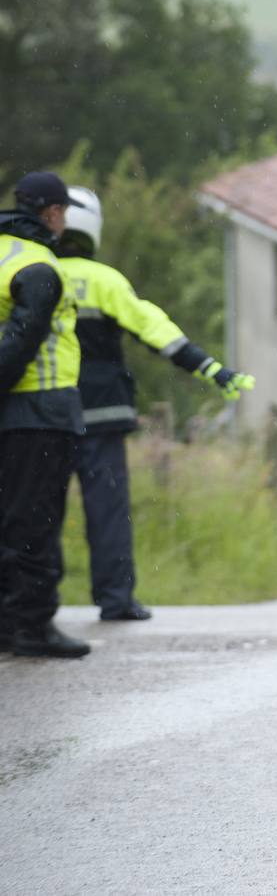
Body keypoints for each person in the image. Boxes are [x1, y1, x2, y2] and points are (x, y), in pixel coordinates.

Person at [54, 186, 255, 622]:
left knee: (35, 512)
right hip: (101, 414)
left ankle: (31, 606)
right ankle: (115, 599)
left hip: (42, 414)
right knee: (106, 511)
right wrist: (212, 369)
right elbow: (158, 332)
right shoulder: (105, 281)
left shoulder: (26, 271)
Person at [0, 172, 89, 658]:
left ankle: (6, 624)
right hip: (39, 408)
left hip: (13, 411)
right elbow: (21, 343)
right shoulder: (39, 265)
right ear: (52, 213)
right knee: (34, 520)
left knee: (6, 518)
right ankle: (33, 626)